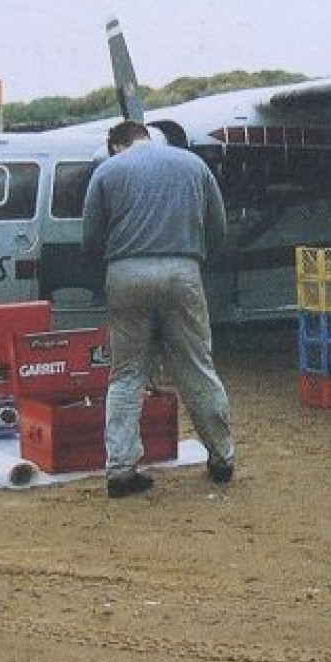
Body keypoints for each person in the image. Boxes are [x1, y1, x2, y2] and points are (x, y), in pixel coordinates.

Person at [81, 120, 236, 498]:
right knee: (197, 367)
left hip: (125, 273)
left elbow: (91, 237)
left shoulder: (107, 170)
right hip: (183, 269)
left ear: (116, 145)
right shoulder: (193, 165)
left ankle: (120, 470)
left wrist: (111, 266)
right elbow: (218, 227)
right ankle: (221, 458)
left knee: (126, 374)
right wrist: (193, 259)